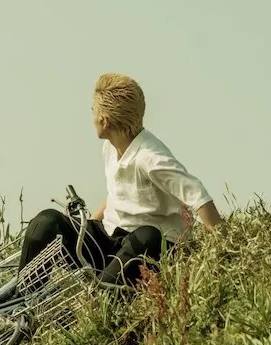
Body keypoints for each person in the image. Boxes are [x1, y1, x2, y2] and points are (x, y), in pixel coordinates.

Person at [18, 72, 226, 289]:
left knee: (148, 235)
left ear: (105, 121)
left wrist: (224, 251)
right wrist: (88, 227)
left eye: (93, 110)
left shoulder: (150, 157)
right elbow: (117, 195)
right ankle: (22, 300)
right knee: (47, 221)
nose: (91, 115)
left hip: (148, 250)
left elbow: (197, 194)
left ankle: (100, 298)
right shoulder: (110, 147)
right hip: (111, 240)